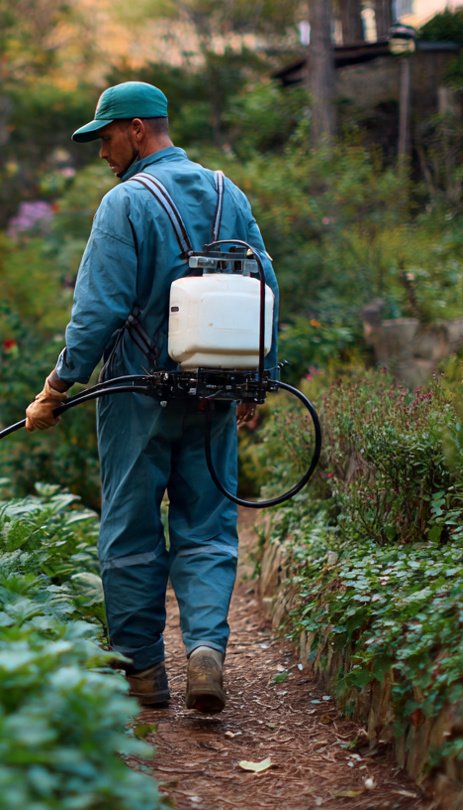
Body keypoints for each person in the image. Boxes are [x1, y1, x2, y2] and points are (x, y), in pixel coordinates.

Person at [25, 81, 278, 713]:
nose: (102, 153)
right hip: (217, 390)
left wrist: (57, 387)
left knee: (132, 534)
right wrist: (261, 374)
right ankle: (205, 653)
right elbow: (264, 282)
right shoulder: (228, 192)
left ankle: (141, 674)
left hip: (137, 395)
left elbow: (99, 310)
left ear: (138, 129)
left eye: (105, 138)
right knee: (209, 529)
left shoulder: (125, 203)